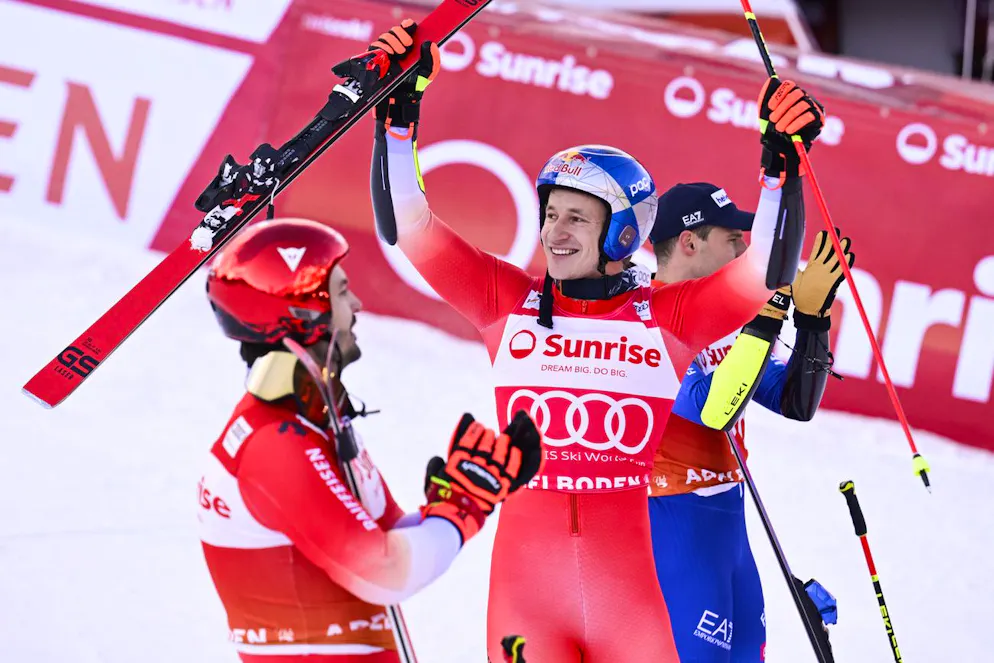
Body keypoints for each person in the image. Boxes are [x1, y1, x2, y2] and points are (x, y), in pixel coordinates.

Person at [351, 20, 823, 662]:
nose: (556, 231)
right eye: (551, 213)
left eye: (578, 216)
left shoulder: (666, 319)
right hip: (528, 599)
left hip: (630, 601)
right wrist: (397, 117)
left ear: (624, 230)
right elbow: (409, 225)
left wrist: (780, 165)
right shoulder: (505, 303)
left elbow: (765, 264)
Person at [196, 217, 543, 662]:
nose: (357, 304)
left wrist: (457, 499)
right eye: (342, 292)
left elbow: (384, 535)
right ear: (305, 316)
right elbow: (386, 571)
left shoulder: (311, 423)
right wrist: (464, 504)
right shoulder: (276, 445)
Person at [646, 182, 854, 661]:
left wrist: (813, 320)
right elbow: (710, 409)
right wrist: (769, 313)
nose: (744, 251)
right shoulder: (647, 319)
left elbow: (793, 402)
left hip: (730, 526)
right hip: (675, 525)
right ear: (690, 242)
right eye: (733, 239)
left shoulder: (723, 320)